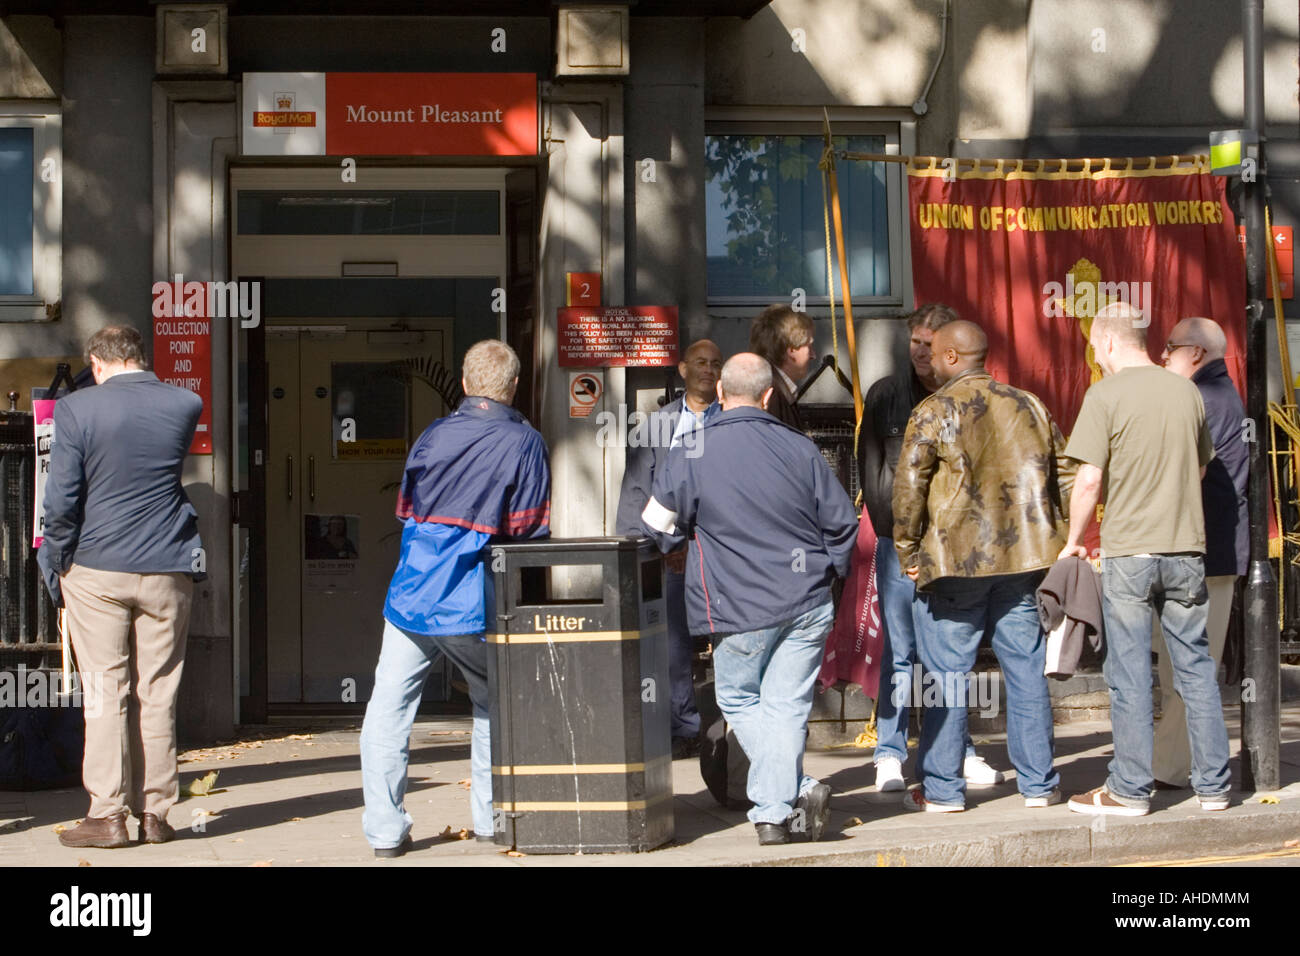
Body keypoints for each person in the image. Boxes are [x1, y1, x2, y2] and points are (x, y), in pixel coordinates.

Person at [641, 353, 857, 845]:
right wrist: (834, 582)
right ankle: (777, 807)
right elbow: (842, 525)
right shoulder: (801, 448)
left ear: (720, 393)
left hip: (735, 605)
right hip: (806, 601)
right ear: (767, 396)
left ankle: (778, 804)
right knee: (787, 706)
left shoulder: (693, 448)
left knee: (739, 697)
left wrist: (678, 548)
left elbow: (655, 522)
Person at [360, 340, 550, 857]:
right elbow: (529, 531)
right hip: (474, 601)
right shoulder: (525, 442)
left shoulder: (432, 435)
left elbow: (405, 510)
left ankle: (384, 832)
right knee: (492, 701)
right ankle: (489, 820)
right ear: (513, 388)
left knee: (388, 709)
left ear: (466, 385)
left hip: (411, 595)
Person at [1060, 302, 1231, 816]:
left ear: (1109, 342)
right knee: (1195, 669)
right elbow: (1200, 470)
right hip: (1186, 550)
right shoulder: (1186, 390)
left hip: (1130, 551)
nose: (1097, 357)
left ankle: (1129, 790)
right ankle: (1215, 786)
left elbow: (1088, 479)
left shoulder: (1104, 393)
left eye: (1095, 348)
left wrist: (1073, 539)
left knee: (1131, 671)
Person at [892, 320, 1071, 811]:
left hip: (954, 563)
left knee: (945, 677)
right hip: (1024, 560)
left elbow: (909, 488)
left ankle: (943, 790)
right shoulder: (1028, 403)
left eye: (935, 352)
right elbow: (1068, 471)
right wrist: (1071, 538)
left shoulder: (934, 410)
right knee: (1026, 671)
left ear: (952, 357)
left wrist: (907, 550)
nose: (927, 358)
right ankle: (1039, 785)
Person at [37, 325, 204, 848]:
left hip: (98, 566)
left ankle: (107, 814)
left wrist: (55, 564)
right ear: (139, 355)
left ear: (97, 362)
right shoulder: (185, 402)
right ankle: (156, 813)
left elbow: (62, 499)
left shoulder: (78, 409)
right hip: (167, 564)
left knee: (108, 692)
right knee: (159, 693)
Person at [858, 303, 1001, 792]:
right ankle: (890, 753)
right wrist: (892, 537)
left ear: (950, 350)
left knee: (951, 655)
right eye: (914, 342)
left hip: (956, 548)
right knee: (899, 651)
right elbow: (872, 469)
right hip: (900, 546)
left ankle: (958, 750)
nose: (920, 352)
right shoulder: (885, 396)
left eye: (929, 344)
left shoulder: (968, 398)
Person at [615, 338, 723, 758]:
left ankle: (731, 724)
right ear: (682, 370)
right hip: (672, 552)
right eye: (700, 362)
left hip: (722, 550)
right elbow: (638, 492)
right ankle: (684, 726)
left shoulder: (731, 421)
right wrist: (654, 549)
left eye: (716, 364)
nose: (708, 370)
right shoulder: (657, 427)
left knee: (729, 638)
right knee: (674, 644)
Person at [1153, 317, 1247, 788]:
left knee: (1191, 669)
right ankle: (1182, 764)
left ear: (1193, 353)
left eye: (1168, 349)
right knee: (1181, 667)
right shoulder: (1216, 395)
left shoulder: (1204, 399)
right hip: (1205, 552)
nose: (1161, 356)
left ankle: (1168, 767)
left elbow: (1182, 472)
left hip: (1206, 554)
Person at [749, 304, 816, 430]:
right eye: (809, 346)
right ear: (791, 350)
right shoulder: (771, 395)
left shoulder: (761, 384)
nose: (813, 355)